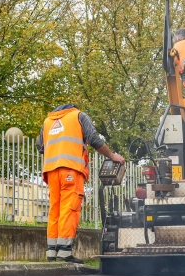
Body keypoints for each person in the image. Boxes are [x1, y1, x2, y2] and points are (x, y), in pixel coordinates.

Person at [36, 104, 124, 262]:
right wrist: (112, 156)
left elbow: (39, 147)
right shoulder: (79, 116)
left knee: (55, 209)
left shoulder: (48, 121)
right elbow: (94, 140)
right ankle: (64, 252)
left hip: (51, 171)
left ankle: (52, 252)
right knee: (69, 208)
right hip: (71, 169)